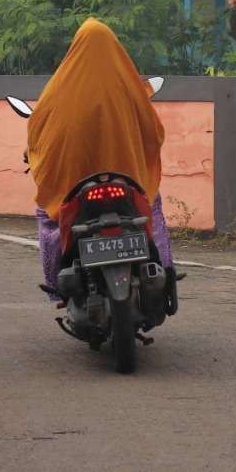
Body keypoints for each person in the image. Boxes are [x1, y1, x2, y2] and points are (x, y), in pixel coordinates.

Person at [25, 18, 175, 299]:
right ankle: (163, 271)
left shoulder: (57, 92)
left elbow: (37, 132)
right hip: (127, 178)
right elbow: (153, 132)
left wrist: (38, 156)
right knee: (151, 208)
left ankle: (57, 287)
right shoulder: (130, 88)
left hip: (74, 184)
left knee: (48, 216)